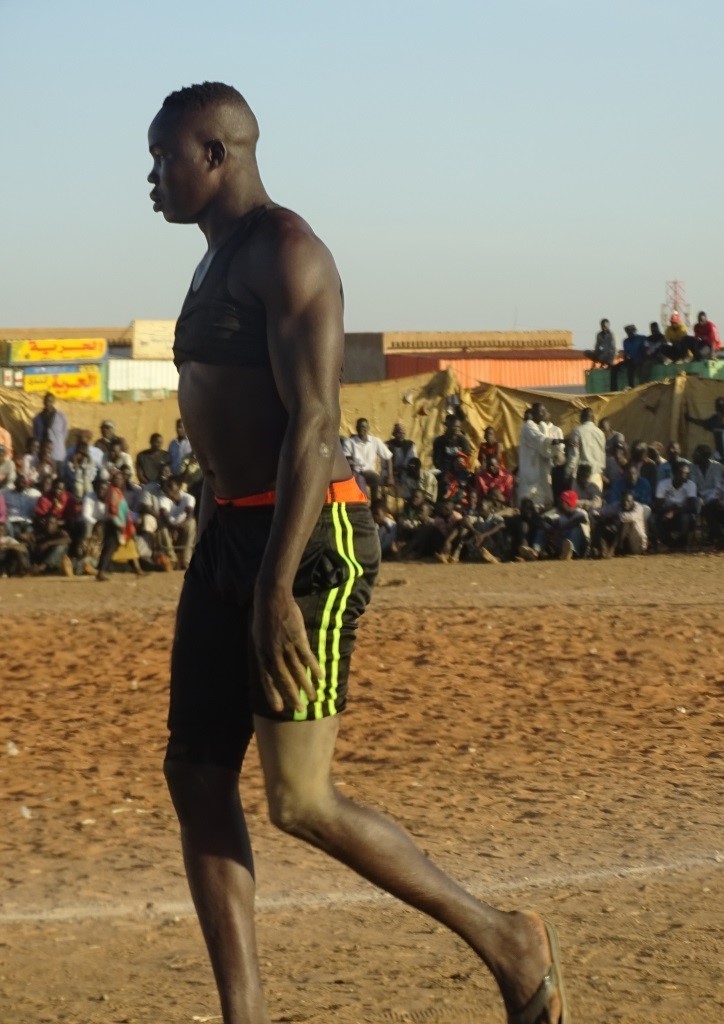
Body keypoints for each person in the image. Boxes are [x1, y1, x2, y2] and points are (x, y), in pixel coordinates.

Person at [148, 81, 567, 1024]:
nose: (151, 179)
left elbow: (314, 425)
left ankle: (507, 938)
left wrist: (270, 591)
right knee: (196, 772)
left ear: (217, 154)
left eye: (164, 157)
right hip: (230, 537)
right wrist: (217, 551)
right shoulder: (212, 262)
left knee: (298, 798)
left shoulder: (288, 254)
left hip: (306, 541)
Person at [517, 403, 561, 507]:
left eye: (545, 410)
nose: (544, 413)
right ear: (535, 414)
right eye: (542, 411)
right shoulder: (528, 426)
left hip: (542, 477)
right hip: (531, 478)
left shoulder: (541, 427)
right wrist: (562, 441)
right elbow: (541, 440)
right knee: (530, 506)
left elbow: (546, 451)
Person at [343, 418, 394, 503]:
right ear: (356, 428)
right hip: (355, 472)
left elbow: (388, 457)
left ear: (368, 428)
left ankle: (376, 506)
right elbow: (347, 459)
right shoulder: (349, 442)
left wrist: (390, 476)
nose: (362, 429)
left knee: (378, 481)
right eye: (360, 427)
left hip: (370, 473)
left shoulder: (375, 441)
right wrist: (352, 466)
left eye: (364, 427)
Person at [31, 392, 68, 469]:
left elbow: (65, 433)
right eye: (46, 401)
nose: (48, 403)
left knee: (58, 474)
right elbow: (35, 434)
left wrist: (57, 441)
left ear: (53, 402)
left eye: (50, 401)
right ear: (43, 402)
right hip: (42, 452)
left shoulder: (61, 417)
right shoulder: (37, 418)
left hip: (57, 451)